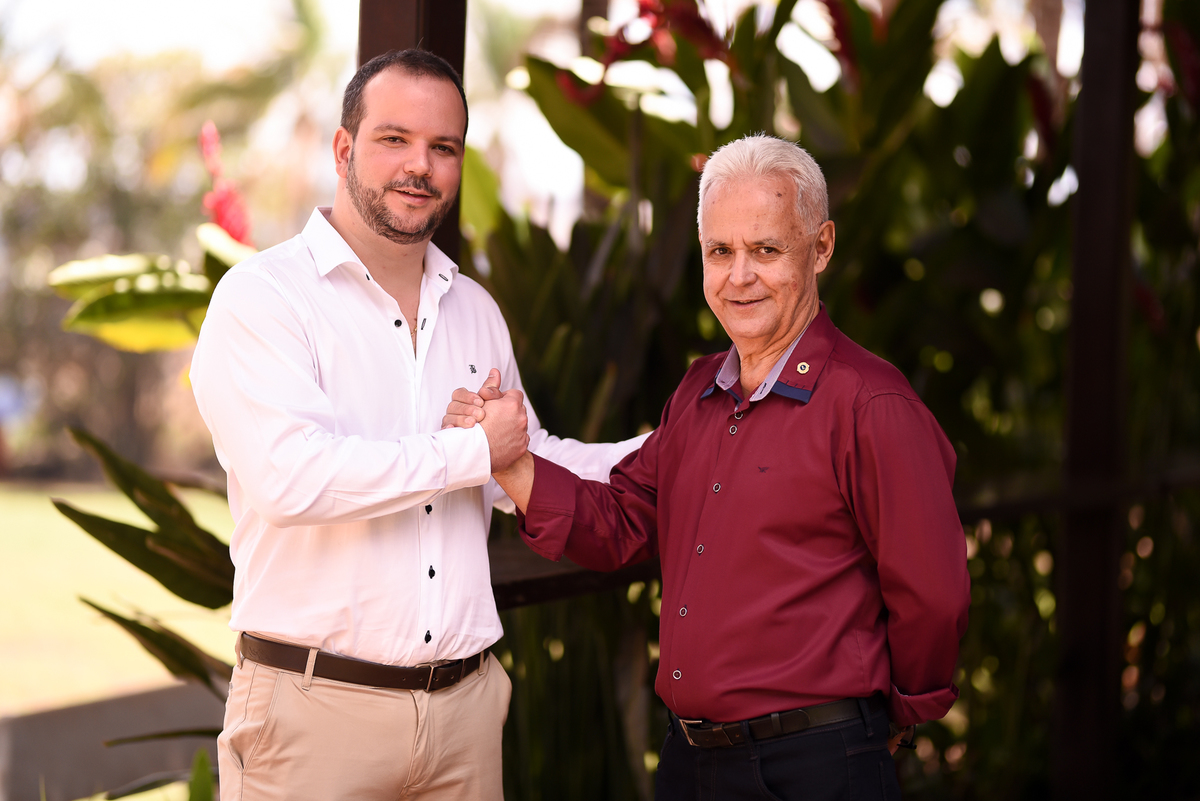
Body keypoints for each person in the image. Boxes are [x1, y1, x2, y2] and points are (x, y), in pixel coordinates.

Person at [451, 134, 971, 799]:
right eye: (720, 251)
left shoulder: (873, 404)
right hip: (692, 763)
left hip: (815, 765)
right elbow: (623, 521)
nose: (739, 275)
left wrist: (893, 718)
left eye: (766, 249)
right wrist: (511, 461)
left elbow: (932, 593)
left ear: (821, 247)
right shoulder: (699, 392)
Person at [189, 49, 645, 801]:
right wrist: (469, 449)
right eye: (394, 139)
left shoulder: (476, 311)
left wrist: (668, 447)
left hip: (463, 720)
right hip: (313, 717)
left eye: (443, 148)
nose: (420, 167)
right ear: (344, 149)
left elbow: (520, 464)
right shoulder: (262, 300)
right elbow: (292, 479)